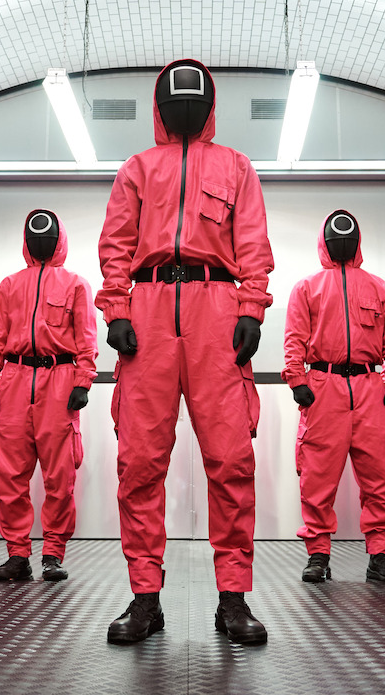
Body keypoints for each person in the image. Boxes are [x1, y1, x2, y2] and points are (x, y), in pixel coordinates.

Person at [97, 60, 274, 645]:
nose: (185, 107)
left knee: (231, 459)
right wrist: (117, 310)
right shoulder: (137, 169)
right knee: (139, 462)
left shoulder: (236, 167)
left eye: (195, 98)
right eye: (175, 100)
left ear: (210, 105)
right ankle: (145, 598)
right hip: (147, 311)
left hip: (216, 310)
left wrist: (250, 309)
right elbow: (116, 243)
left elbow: (253, 242)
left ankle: (233, 599)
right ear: (160, 108)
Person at [283, 210, 385, 584]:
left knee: (381, 475)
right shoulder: (307, 287)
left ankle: (380, 555)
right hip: (323, 387)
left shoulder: (378, 287)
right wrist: (296, 378)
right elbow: (293, 336)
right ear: (324, 243)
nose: (343, 242)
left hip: (370, 388)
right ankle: (318, 554)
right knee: (317, 476)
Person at [0, 211, 97, 582]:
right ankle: (17, 554)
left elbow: (86, 336)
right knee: (9, 473)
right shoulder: (10, 285)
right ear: (26, 242)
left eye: (47, 236)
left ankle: (53, 553)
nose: (39, 241)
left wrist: (83, 380)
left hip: (59, 379)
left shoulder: (76, 284)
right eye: (33, 236)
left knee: (60, 474)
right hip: (14, 379)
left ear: (59, 241)